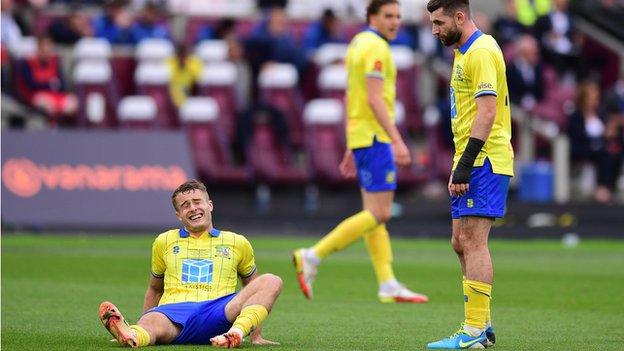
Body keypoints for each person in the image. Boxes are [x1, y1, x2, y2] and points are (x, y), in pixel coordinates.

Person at [292, 0, 429, 304]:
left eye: (398, 16)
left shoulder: (356, 43)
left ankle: (387, 283)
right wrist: (397, 139)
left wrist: (351, 143)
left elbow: (352, 95)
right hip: (376, 137)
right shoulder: (377, 48)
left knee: (374, 215)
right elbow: (373, 98)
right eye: (388, 16)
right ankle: (313, 255)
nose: (395, 22)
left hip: (362, 136)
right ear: (372, 17)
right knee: (379, 212)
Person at [99, 180, 282, 348]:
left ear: (209, 205)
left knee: (271, 281)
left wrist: (256, 335)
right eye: (185, 205)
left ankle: (236, 333)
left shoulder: (237, 242)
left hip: (220, 312)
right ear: (178, 215)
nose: (193, 208)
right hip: (173, 314)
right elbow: (155, 289)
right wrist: (143, 322)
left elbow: (253, 287)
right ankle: (132, 334)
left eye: (197, 202)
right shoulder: (164, 241)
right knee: (152, 324)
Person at [426, 0, 514, 348]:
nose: (434, 30)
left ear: (459, 17)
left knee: (474, 242)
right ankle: (483, 325)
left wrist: (465, 164)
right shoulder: (463, 52)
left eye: (438, 22)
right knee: (460, 242)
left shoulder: (480, 51)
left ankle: (475, 330)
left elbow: (488, 111)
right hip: (470, 157)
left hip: (483, 160)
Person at [20, 35, 77, 126]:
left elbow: (62, 84)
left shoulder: (55, 62)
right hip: (37, 95)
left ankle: (67, 129)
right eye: (45, 48)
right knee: (49, 105)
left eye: (49, 48)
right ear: (39, 48)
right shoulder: (28, 63)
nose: (47, 52)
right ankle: (51, 128)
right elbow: (32, 85)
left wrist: (51, 84)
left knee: (73, 103)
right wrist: (50, 84)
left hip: (56, 95)